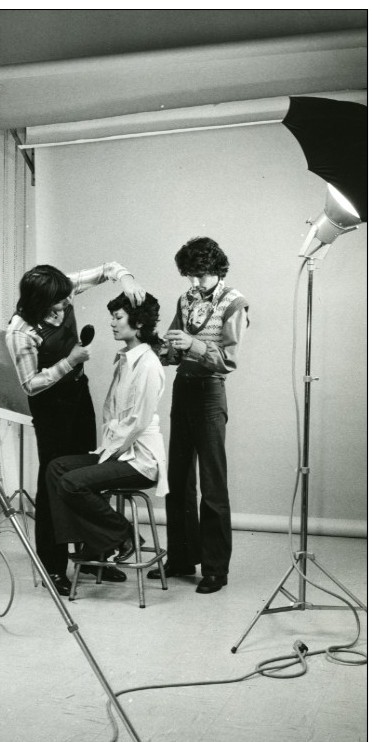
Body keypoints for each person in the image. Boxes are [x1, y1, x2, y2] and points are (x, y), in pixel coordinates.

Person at [6, 262, 146, 596]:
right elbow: (30, 384)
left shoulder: (60, 289)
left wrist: (126, 280)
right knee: (54, 481)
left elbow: (108, 269)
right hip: (50, 407)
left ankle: (94, 555)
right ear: (40, 303)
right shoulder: (19, 332)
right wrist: (69, 361)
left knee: (87, 472)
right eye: (58, 305)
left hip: (77, 397)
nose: (66, 306)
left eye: (67, 300)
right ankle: (53, 567)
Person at [148, 236, 249, 594]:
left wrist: (194, 345)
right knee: (178, 478)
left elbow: (228, 361)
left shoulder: (234, 302)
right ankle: (180, 557)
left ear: (216, 269)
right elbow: (174, 351)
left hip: (209, 393)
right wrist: (155, 346)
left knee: (212, 483)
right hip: (183, 390)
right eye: (189, 275)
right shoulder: (186, 298)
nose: (193, 283)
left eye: (200, 276)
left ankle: (215, 569)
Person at [46, 292, 167, 563]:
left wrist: (105, 457)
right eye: (112, 317)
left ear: (138, 323)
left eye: (118, 317)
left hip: (139, 460)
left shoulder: (147, 364)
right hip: (118, 452)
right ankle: (99, 542)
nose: (112, 323)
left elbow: (138, 422)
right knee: (57, 468)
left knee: (72, 482)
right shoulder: (125, 360)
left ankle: (122, 534)